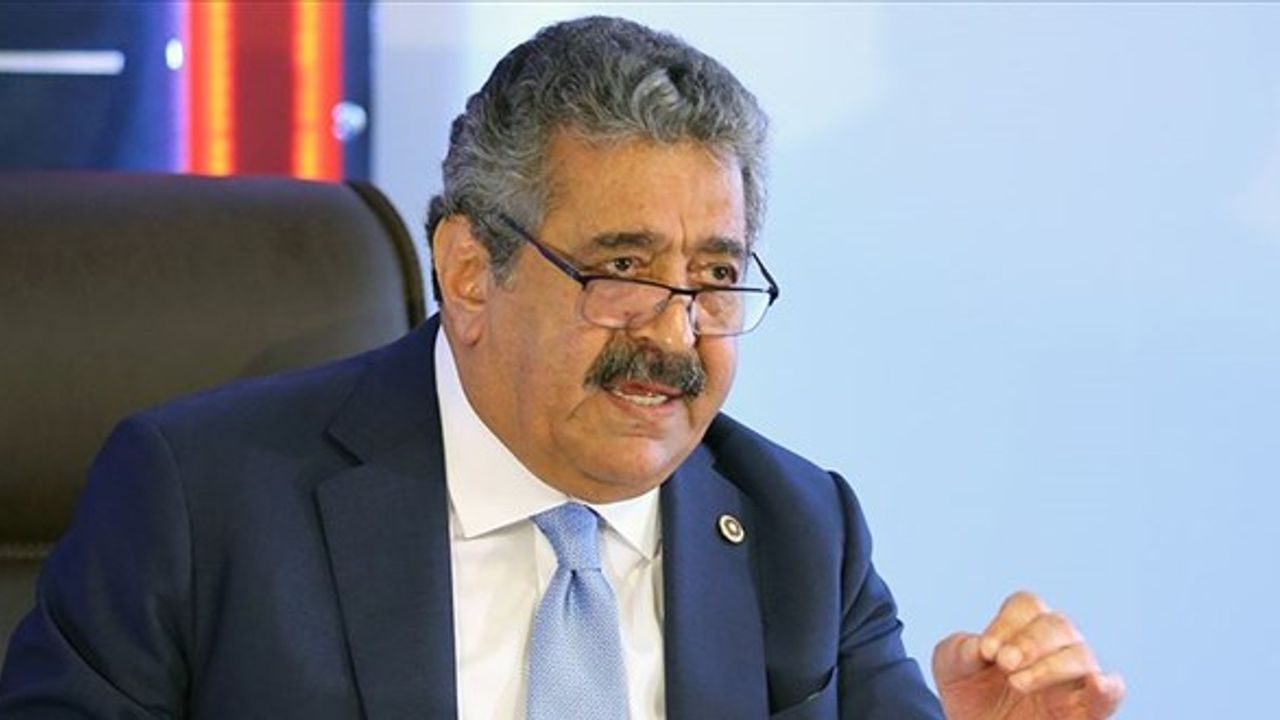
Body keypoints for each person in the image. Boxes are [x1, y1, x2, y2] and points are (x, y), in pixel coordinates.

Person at [0, 16, 1124, 719]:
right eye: (622, 269)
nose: (675, 336)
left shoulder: (799, 533)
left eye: (715, 275)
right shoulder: (204, 502)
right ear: (469, 273)